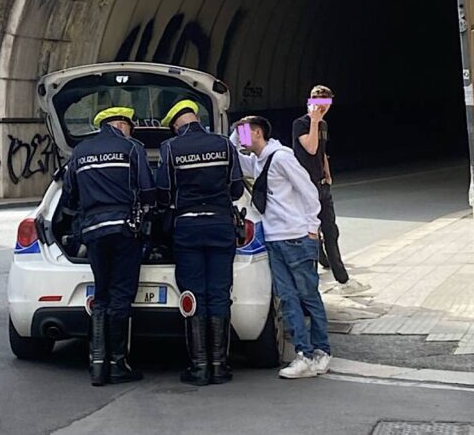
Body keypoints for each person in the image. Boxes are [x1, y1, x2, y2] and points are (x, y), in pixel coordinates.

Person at [230, 115, 332, 379]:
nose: (241, 138)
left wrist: (312, 227)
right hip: (274, 239)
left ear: (257, 133)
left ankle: (321, 351)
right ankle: (303, 355)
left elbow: (309, 190)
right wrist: (235, 130)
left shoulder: (282, 157)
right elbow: (236, 157)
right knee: (287, 300)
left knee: (308, 297)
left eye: (243, 133)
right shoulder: (259, 161)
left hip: (296, 237)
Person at [61, 106, 155, 387]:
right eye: (131, 126)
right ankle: (117, 363)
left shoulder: (79, 152)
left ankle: (97, 365)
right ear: (122, 124)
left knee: (101, 296)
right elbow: (148, 191)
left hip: (92, 231)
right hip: (124, 229)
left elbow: (68, 196)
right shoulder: (132, 148)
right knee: (121, 295)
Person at [157, 100, 244, 386]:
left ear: (174, 125)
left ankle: (199, 367)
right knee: (220, 292)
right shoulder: (224, 144)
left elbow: (164, 194)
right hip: (221, 225)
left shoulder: (170, 148)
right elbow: (237, 188)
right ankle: (220, 366)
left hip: (188, 228)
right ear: (196, 117)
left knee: (193, 294)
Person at [292, 85, 369, 296]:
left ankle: (341, 278)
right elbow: (311, 148)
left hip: (322, 185)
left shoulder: (323, 124)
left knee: (331, 231)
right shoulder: (301, 124)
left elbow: (322, 152)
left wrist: (327, 172)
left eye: (326, 103)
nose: (323, 108)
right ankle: (317, 279)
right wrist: (314, 121)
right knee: (311, 232)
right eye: (319, 102)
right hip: (306, 188)